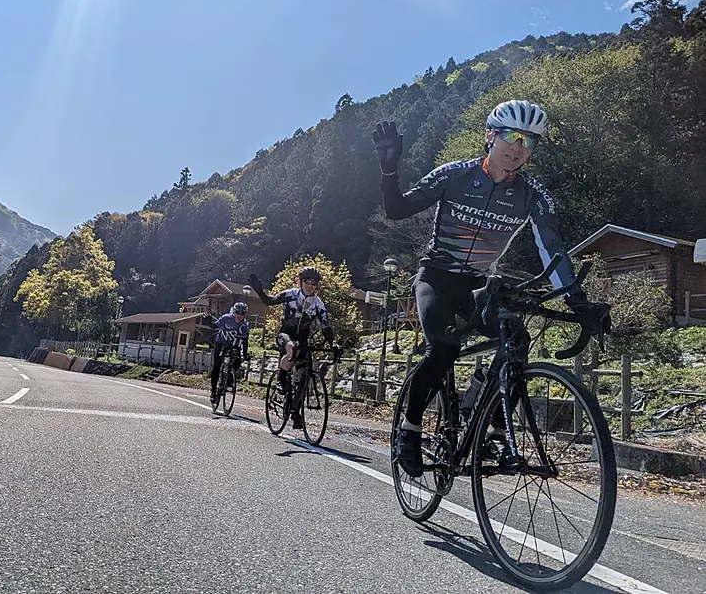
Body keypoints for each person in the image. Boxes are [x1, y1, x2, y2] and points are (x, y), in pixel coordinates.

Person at [372, 99, 606, 477]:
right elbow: (397, 210)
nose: (517, 148)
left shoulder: (533, 193)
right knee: (444, 347)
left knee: (516, 339)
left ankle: (493, 427)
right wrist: (389, 169)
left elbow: (552, 246)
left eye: (528, 142)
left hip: (481, 281)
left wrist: (576, 300)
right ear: (489, 136)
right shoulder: (455, 175)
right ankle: (409, 428)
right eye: (511, 136)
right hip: (437, 276)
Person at [247, 266, 339, 430]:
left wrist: (333, 344)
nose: (310, 285)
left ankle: (296, 412)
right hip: (285, 336)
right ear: (300, 281)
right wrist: (259, 291)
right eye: (307, 281)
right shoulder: (291, 295)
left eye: (314, 282)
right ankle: (282, 378)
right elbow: (270, 301)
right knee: (291, 347)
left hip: (302, 340)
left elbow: (325, 326)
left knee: (304, 377)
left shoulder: (318, 304)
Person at [206, 302, 250, 406]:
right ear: (233, 312)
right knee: (216, 366)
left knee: (238, 359)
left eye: (242, 314)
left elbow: (245, 341)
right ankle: (213, 390)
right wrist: (208, 320)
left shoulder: (244, 325)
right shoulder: (226, 318)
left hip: (234, 345)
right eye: (237, 313)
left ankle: (229, 378)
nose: (239, 316)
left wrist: (245, 354)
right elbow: (214, 326)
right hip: (221, 342)